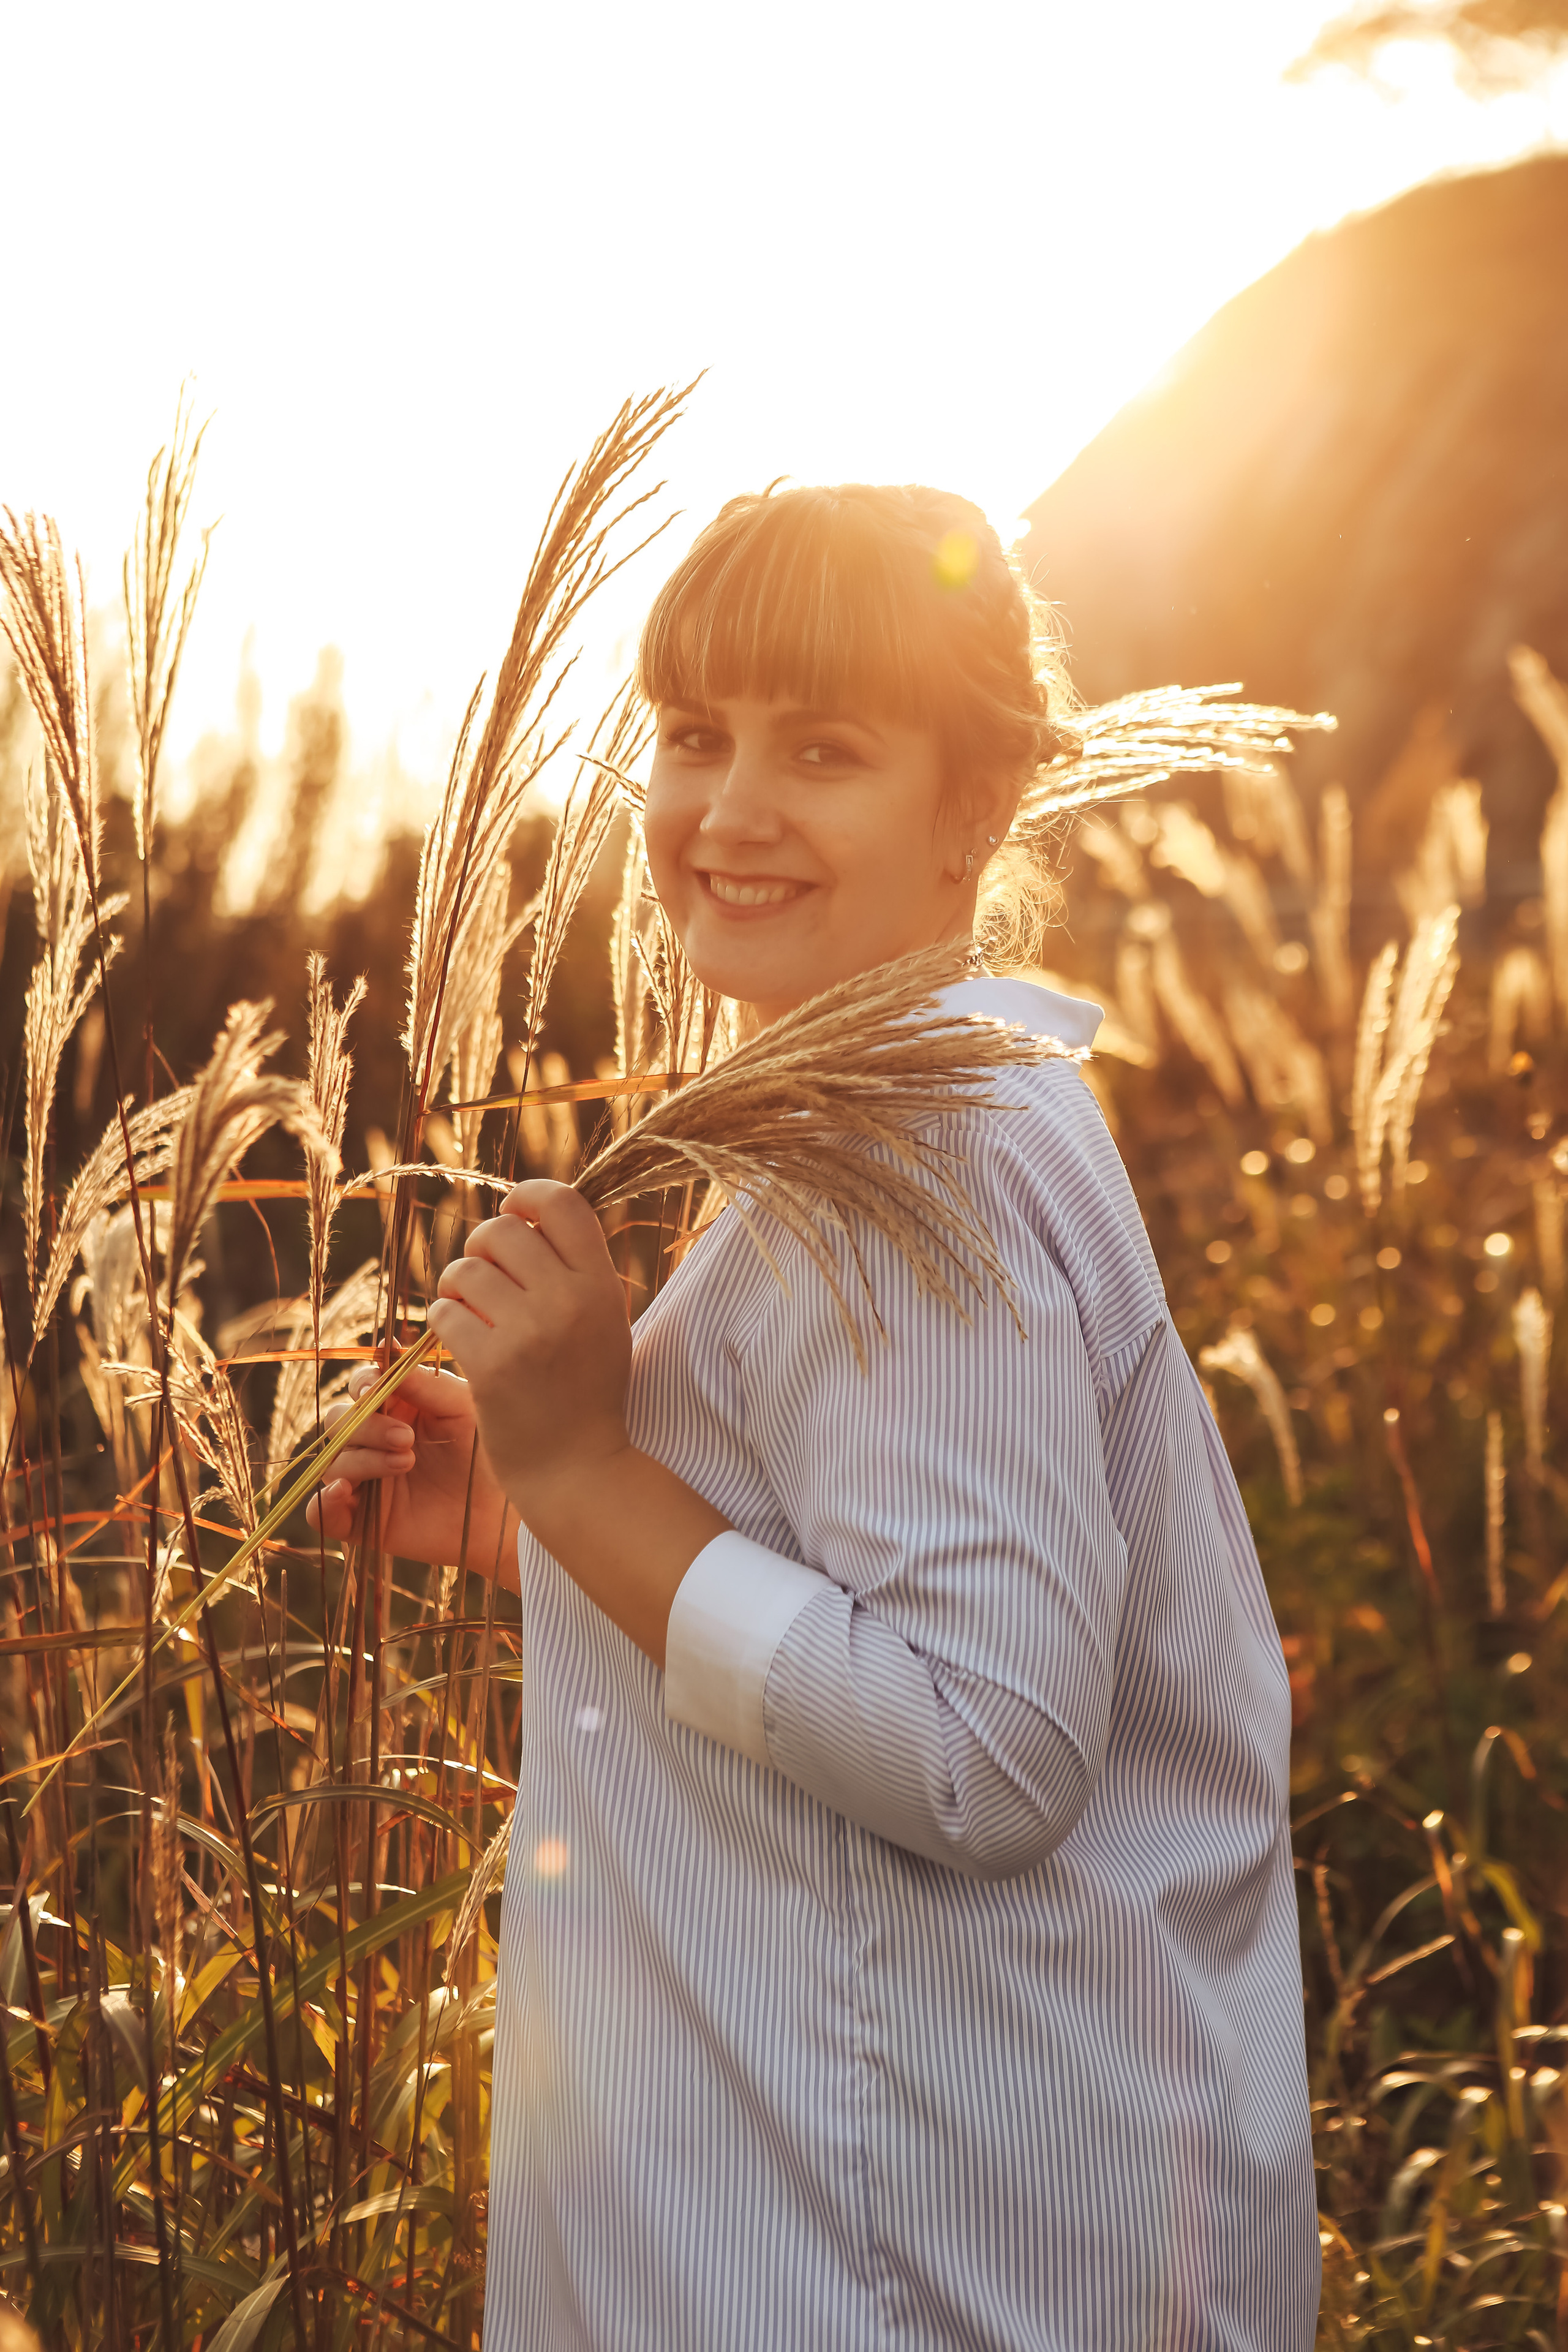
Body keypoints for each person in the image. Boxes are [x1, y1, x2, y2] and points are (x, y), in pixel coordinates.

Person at [311, 484, 1319, 2348]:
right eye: (695, 737)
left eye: (827, 749)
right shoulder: (905, 1110)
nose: (733, 808)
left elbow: (980, 1750)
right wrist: (533, 1517)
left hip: (896, 2257)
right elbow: (851, 1576)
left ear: (975, 805)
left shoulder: (921, 1157)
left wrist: (590, 1462)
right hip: (863, 2212)